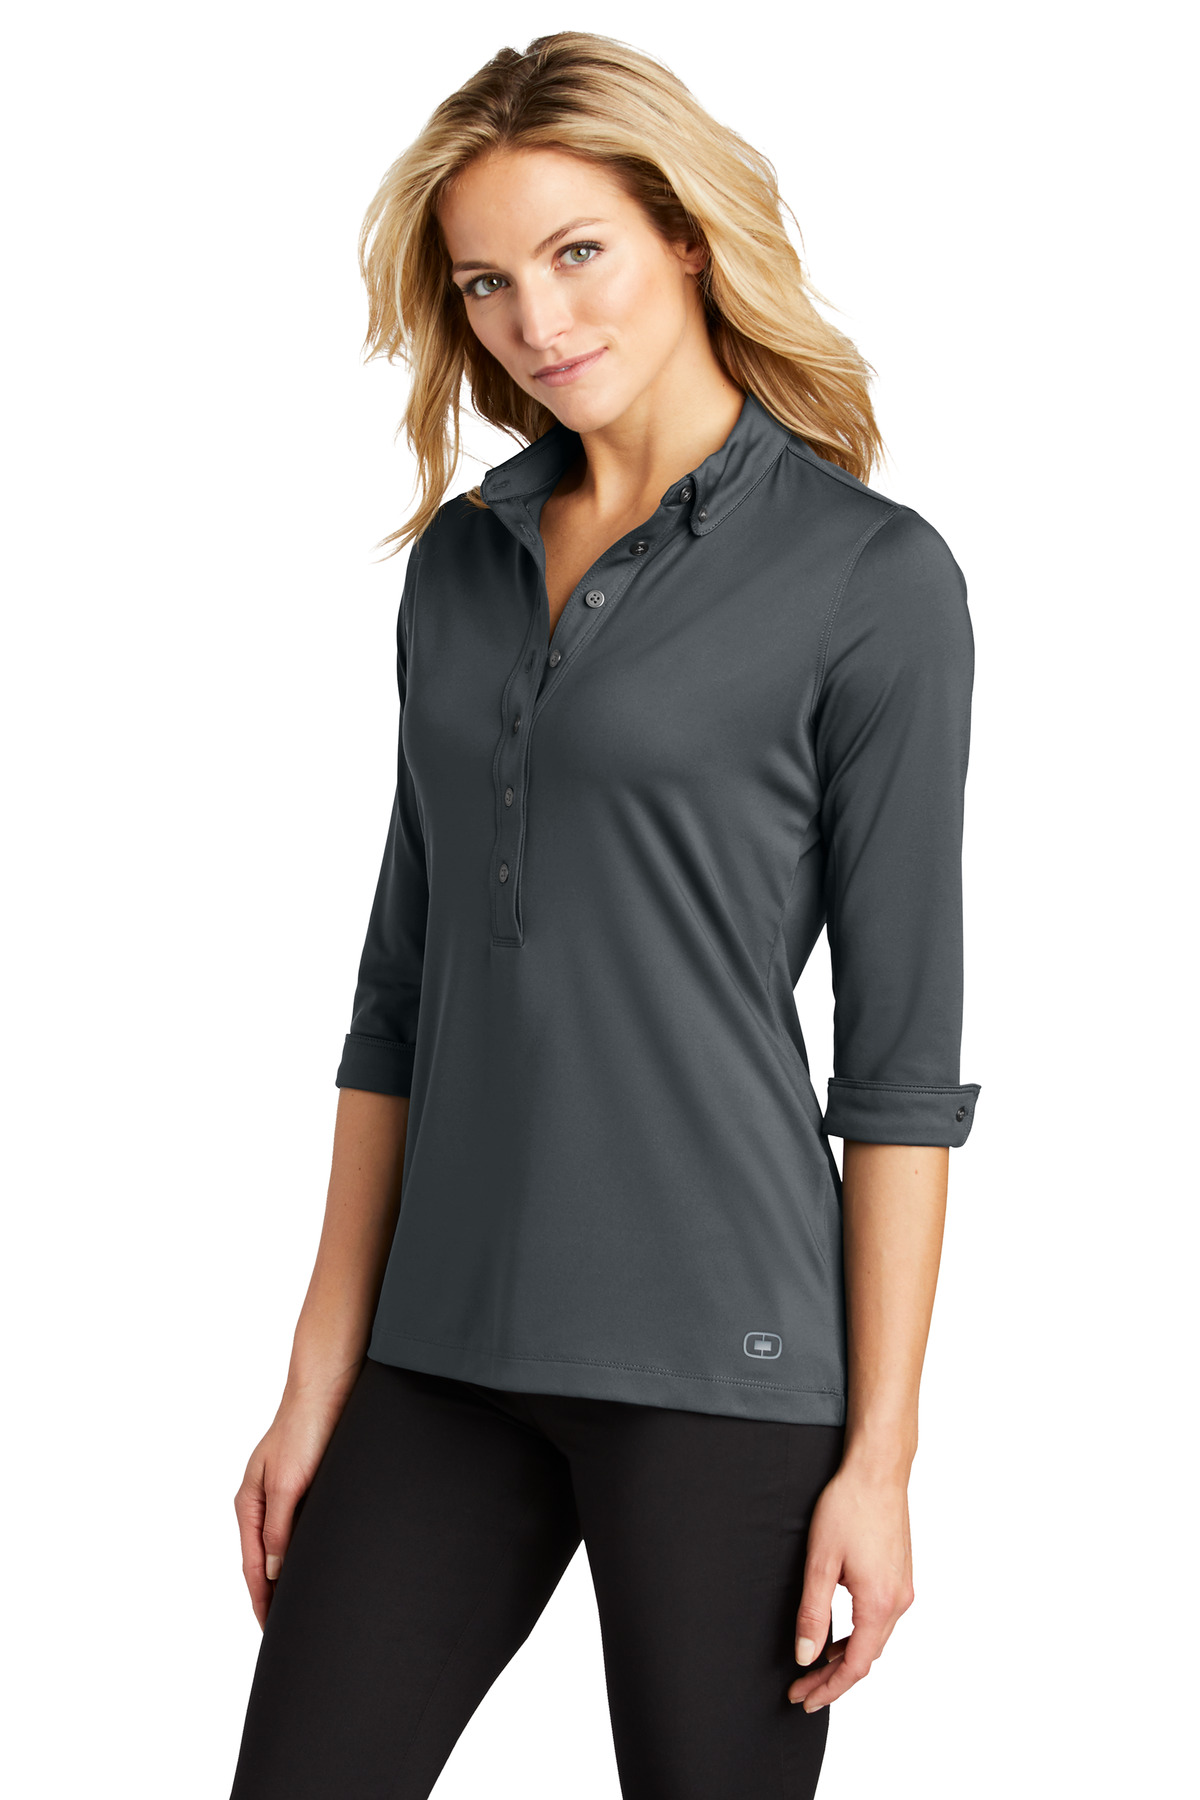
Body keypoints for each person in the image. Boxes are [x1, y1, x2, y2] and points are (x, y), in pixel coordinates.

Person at [228, 30, 980, 1800]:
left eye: (579, 254)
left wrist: (880, 1457)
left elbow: (900, 1065)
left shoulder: (872, 579)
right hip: (440, 1348)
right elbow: (399, 997)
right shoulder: (462, 565)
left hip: (725, 1360)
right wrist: (315, 1374)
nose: (536, 321)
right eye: (487, 282)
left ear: (690, 240)